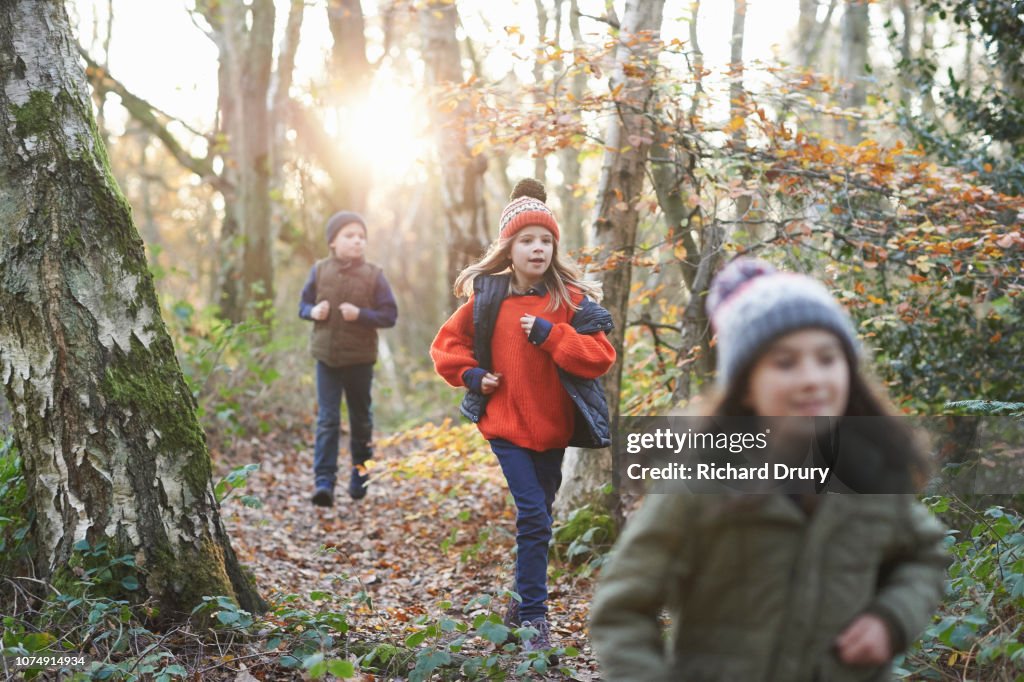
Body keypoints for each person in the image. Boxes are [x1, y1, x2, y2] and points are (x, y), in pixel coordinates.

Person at [589, 257, 950, 681]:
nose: (812, 378)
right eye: (785, 363)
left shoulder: (871, 474)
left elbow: (926, 557)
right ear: (745, 387)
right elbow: (622, 608)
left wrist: (891, 619)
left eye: (827, 358)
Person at [430, 179, 617, 657]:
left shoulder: (570, 302)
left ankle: (517, 609)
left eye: (546, 240)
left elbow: (600, 357)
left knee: (540, 520)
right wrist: (472, 375)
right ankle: (536, 617)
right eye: (527, 240)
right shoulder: (488, 300)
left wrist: (554, 336)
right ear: (508, 248)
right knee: (534, 514)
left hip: (553, 430)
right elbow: (446, 347)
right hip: (507, 427)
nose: (538, 248)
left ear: (555, 247)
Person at [299, 211, 397, 507]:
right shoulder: (319, 270)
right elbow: (303, 304)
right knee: (328, 420)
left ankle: (360, 474)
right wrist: (312, 312)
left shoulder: (374, 275)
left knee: (360, 419)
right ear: (332, 241)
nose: (357, 241)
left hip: (360, 360)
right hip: (326, 358)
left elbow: (390, 315)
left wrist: (361, 315)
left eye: (361, 237)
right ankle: (324, 482)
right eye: (349, 236)